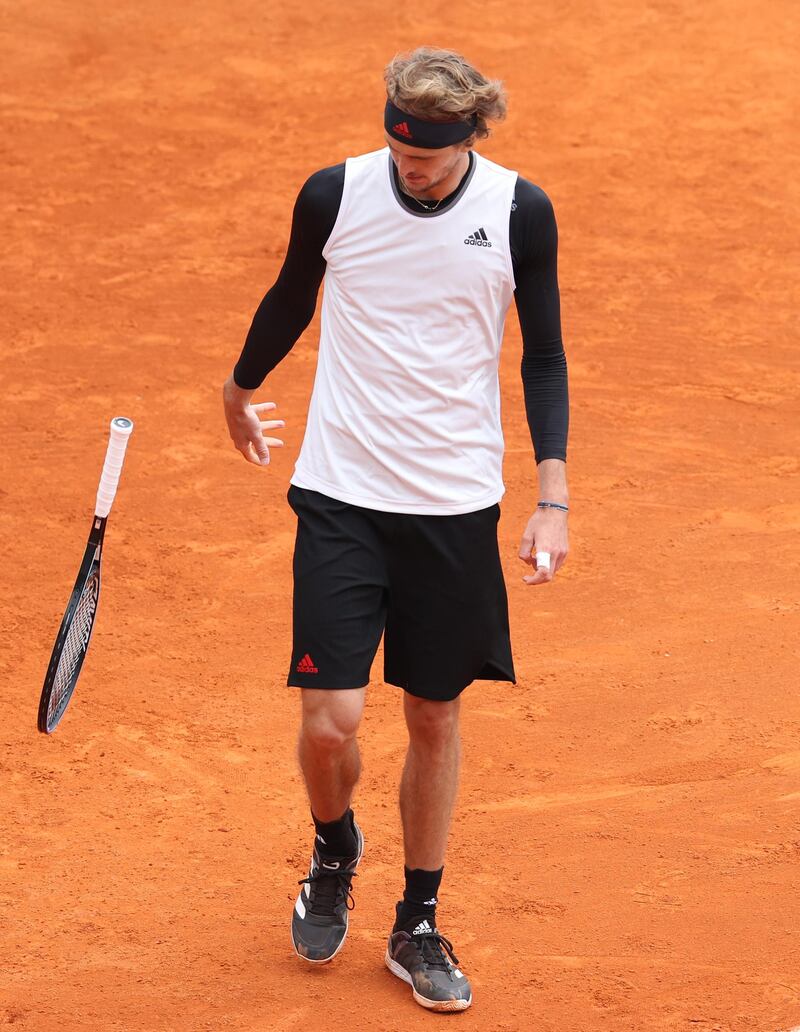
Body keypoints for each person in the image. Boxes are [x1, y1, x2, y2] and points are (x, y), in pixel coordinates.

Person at [222, 46, 569, 1013]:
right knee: (328, 724)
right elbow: (296, 293)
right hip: (341, 493)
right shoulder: (335, 194)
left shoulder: (517, 211)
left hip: (454, 505)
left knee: (433, 714)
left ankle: (417, 920)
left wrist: (552, 494)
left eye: (430, 156)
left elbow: (543, 354)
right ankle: (335, 846)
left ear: (470, 137)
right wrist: (240, 387)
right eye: (398, 148)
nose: (409, 167)